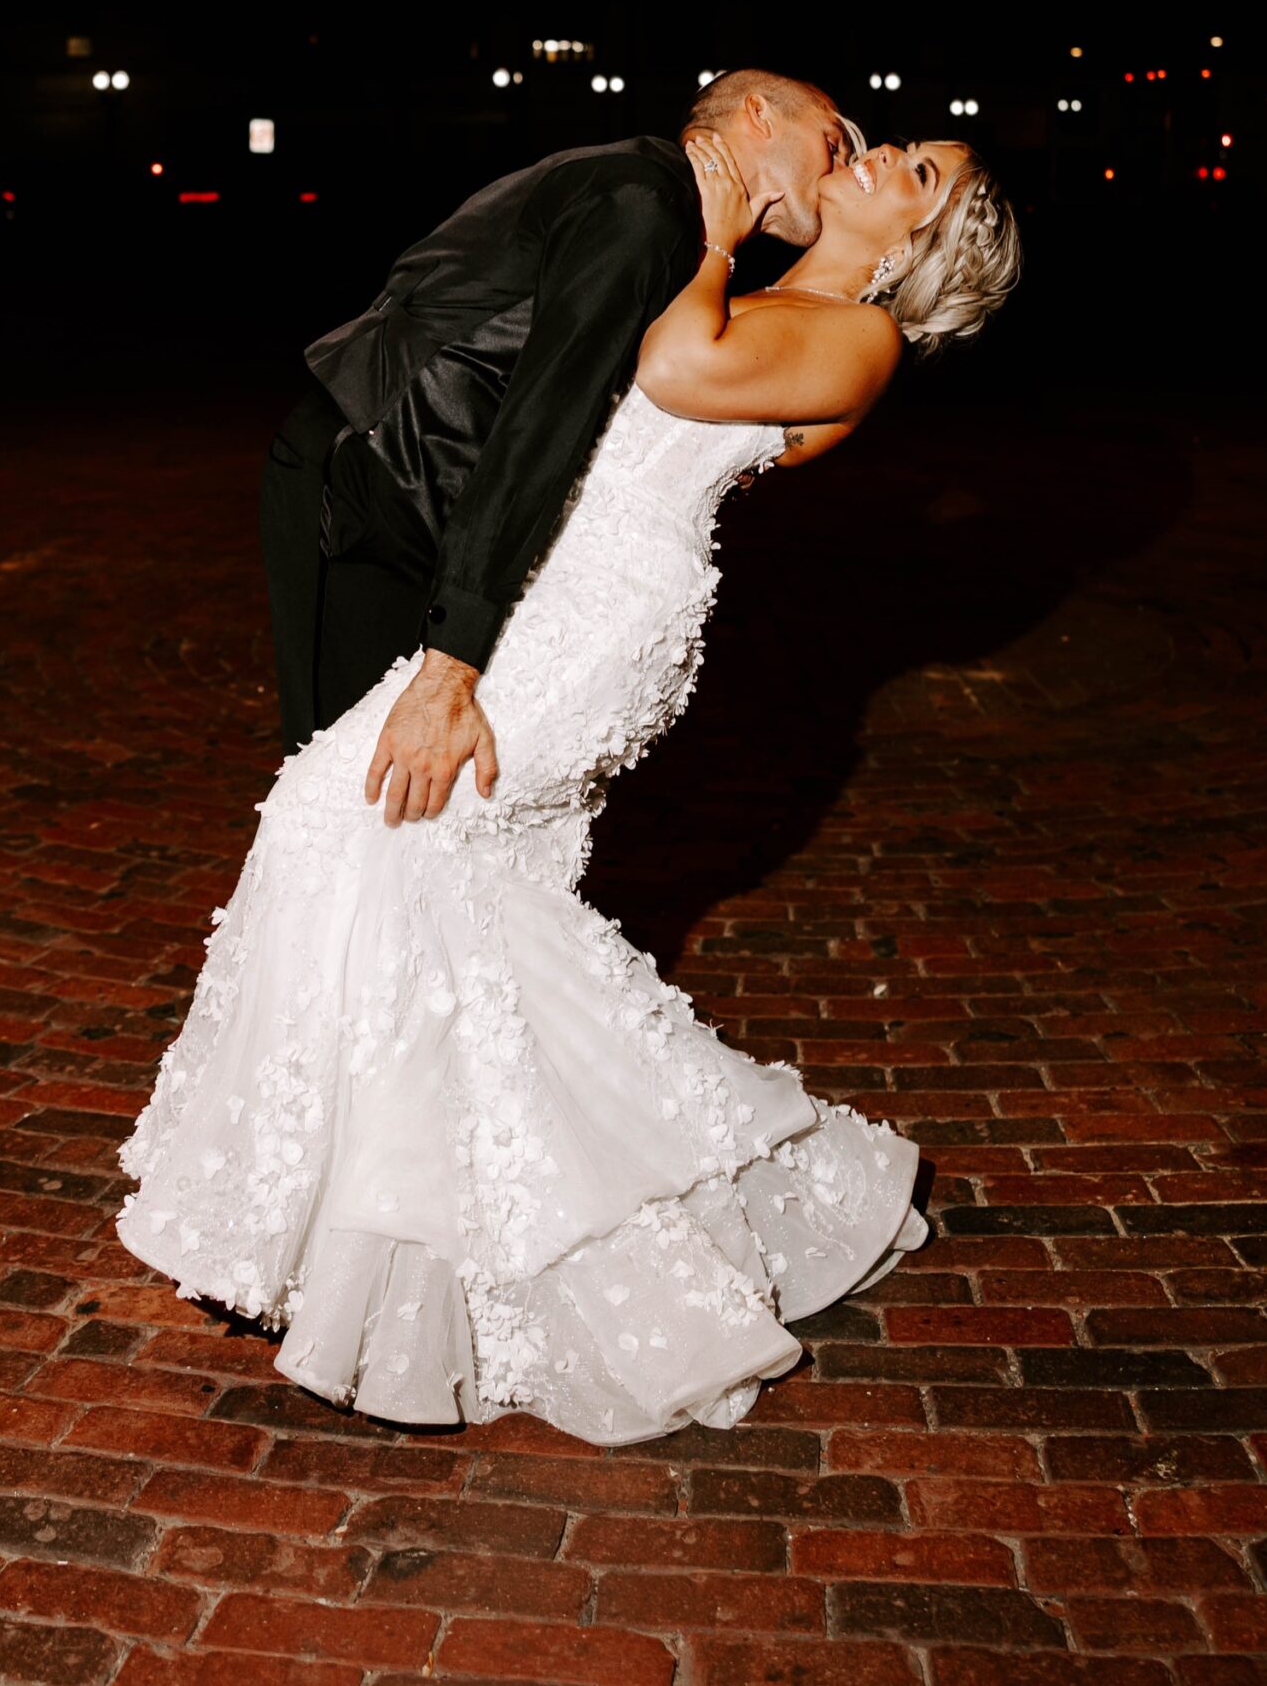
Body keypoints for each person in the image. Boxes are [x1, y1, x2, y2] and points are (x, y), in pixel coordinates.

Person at [118, 118, 1020, 1445]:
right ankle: (437, 1237)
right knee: (465, 910)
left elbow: (670, 361)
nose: (885, 153)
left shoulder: (858, 340)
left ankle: (424, 1240)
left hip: (597, 622)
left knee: (343, 823)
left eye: (920, 172)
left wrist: (716, 215)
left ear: (922, 243)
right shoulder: (785, 302)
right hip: (558, 596)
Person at [259, 71, 861, 817]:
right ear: (759, 114)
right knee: (350, 801)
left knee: (414, 809)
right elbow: (541, 416)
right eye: (833, 142)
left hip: (432, 505)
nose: (843, 167)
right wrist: (454, 662)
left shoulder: (668, 211)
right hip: (371, 487)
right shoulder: (641, 206)